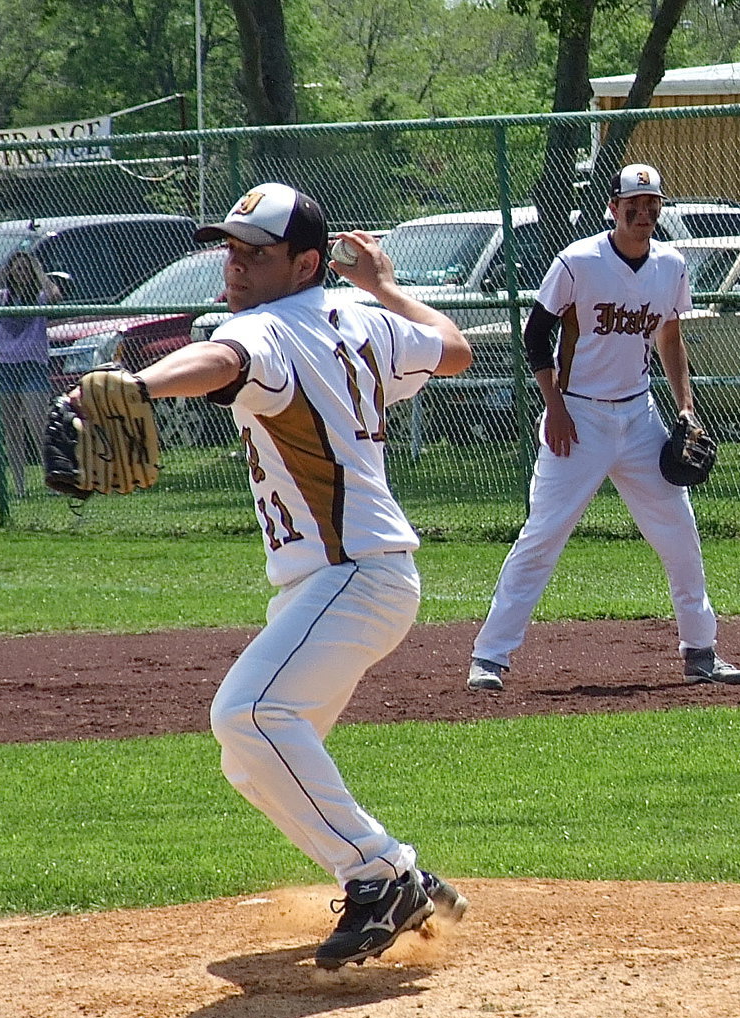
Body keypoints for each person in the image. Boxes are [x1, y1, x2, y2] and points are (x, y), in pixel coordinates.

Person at [104, 182, 472, 968]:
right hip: (341, 581)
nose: (234, 265)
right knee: (255, 753)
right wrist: (386, 289)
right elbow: (455, 348)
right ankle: (392, 875)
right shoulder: (364, 319)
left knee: (247, 715)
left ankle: (381, 874)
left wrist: (137, 386)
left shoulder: (266, 329)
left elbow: (223, 359)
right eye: (230, 249)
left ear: (305, 262)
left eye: (256, 253)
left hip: (351, 572)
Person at [468, 163, 740, 692]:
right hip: (578, 417)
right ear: (613, 209)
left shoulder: (671, 265)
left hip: (639, 416)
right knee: (543, 536)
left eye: (651, 205)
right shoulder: (578, 262)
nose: (642, 215)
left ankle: (701, 652)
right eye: (632, 206)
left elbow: (670, 339)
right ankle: (490, 656)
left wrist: (685, 408)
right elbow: (535, 337)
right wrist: (554, 407)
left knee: (680, 534)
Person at [0, 250, 61, 497]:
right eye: (16, 269)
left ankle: (52, 479)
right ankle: (19, 488)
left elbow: (54, 295)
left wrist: (39, 271)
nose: (20, 274)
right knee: (11, 429)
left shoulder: (39, 296)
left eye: (25, 269)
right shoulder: (1, 297)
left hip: (33, 365)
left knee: (37, 423)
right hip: (5, 366)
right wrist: (0, 276)